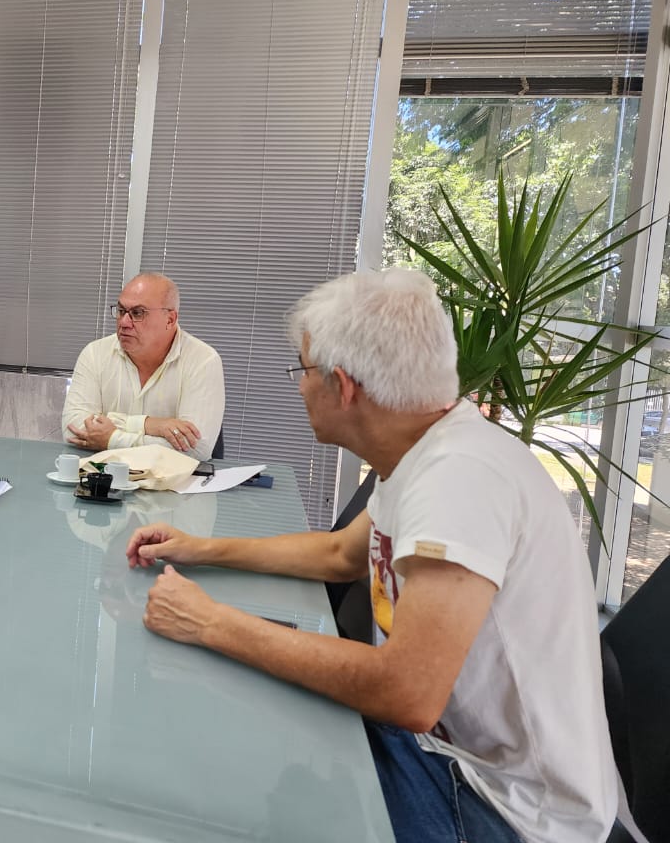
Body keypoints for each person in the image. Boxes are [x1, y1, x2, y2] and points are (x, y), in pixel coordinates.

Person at [125, 268, 617, 843]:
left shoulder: (460, 479)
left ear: (343, 386)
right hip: (446, 753)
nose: (299, 387)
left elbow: (408, 692)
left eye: (303, 371)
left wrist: (208, 621)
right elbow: (341, 554)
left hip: (504, 810)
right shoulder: (427, 447)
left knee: (224, 780)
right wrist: (200, 549)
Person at [61, 272, 224, 461]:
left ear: (170, 319)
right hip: (103, 475)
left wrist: (112, 439)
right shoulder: (95, 353)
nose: (124, 322)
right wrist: (149, 425)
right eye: (121, 311)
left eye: (137, 313)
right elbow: (72, 429)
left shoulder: (203, 360)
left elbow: (196, 449)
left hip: (172, 478)